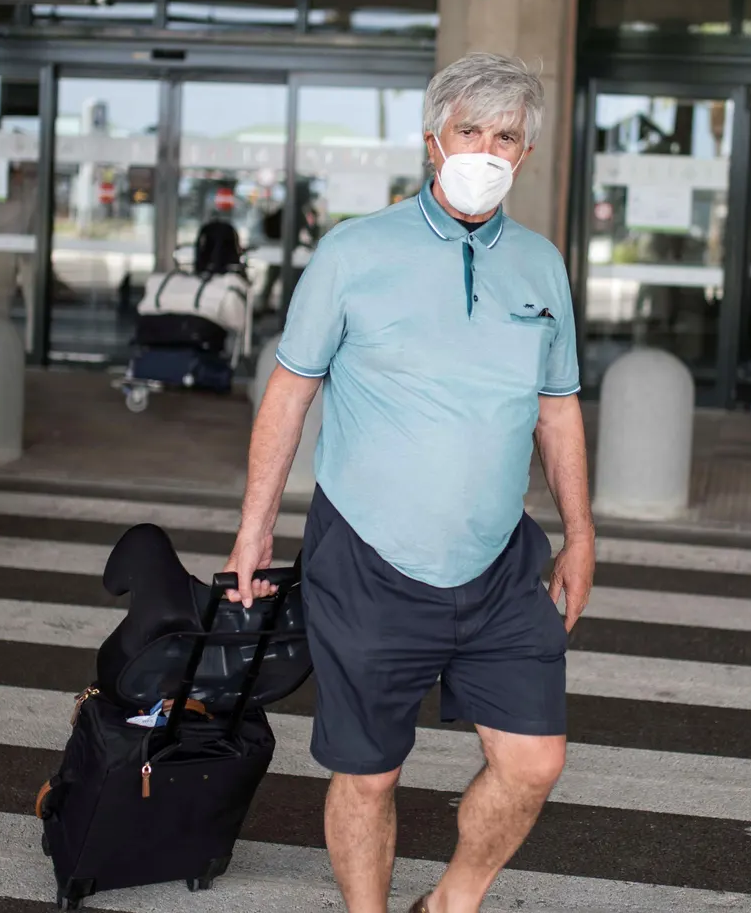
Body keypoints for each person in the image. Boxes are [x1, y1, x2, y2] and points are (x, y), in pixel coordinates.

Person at [224, 53, 593, 913]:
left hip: (501, 563)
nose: (488, 149)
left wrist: (581, 532)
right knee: (368, 774)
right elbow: (290, 392)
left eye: (507, 136)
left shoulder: (542, 266)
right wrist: (254, 528)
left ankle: (452, 902)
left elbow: (560, 408)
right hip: (368, 559)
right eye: (472, 130)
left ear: (526, 154)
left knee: (535, 759)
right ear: (433, 139)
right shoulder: (354, 252)